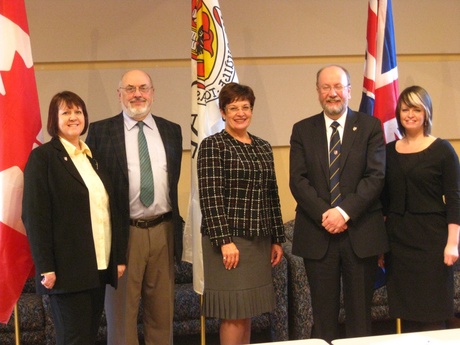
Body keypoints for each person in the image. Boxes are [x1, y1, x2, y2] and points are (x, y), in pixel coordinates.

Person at [289, 65, 389, 342]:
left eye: (338, 87)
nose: (332, 93)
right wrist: (327, 214)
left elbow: (375, 177)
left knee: (360, 317)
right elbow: (298, 181)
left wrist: (344, 213)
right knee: (323, 317)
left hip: (361, 234)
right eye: (326, 87)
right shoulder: (302, 130)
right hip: (317, 233)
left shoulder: (370, 126)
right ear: (318, 92)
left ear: (349, 90)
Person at [85, 69, 183, 345]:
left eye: (143, 88)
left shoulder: (171, 131)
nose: (137, 94)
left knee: (162, 317)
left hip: (164, 231)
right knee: (121, 319)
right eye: (129, 89)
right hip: (124, 235)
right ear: (119, 95)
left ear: (153, 92)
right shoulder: (102, 132)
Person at [22, 91, 126, 345]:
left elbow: (110, 211)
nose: (73, 117)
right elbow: (35, 216)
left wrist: (118, 258)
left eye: (78, 111)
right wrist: (45, 265)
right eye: (65, 112)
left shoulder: (94, 158)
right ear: (53, 119)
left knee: (89, 337)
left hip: (97, 268)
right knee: (73, 339)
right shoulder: (44, 158)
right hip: (66, 271)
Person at [197, 82, 285, 345]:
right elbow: (210, 197)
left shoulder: (263, 147)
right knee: (233, 313)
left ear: (252, 110)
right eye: (233, 107)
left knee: (246, 313)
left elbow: (272, 194)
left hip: (258, 241)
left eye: (245, 107)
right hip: (229, 243)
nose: (240, 113)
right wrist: (225, 241)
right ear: (223, 112)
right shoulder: (213, 146)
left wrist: (277, 238)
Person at [383, 85, 460, 332]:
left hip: (432, 242)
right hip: (398, 243)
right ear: (399, 113)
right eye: (405, 109)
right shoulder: (387, 152)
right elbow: (383, 203)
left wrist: (453, 243)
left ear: (426, 112)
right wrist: (382, 246)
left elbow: (456, 199)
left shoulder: (443, 150)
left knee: (433, 311)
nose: (410, 114)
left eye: (417, 108)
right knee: (406, 313)